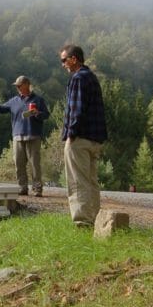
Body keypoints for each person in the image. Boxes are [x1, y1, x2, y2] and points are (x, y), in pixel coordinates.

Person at [59, 45, 107, 227]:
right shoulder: (92, 78)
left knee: (77, 181)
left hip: (79, 138)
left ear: (74, 59)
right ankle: (95, 218)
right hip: (95, 138)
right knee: (91, 181)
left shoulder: (78, 78)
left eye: (64, 60)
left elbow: (76, 110)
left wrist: (71, 133)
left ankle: (82, 221)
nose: (63, 65)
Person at [0, 76, 50, 196]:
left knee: (34, 164)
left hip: (33, 136)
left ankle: (37, 189)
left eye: (19, 85)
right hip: (18, 136)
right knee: (19, 164)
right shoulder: (14, 100)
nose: (18, 88)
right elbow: (2, 109)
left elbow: (46, 115)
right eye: (17, 86)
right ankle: (22, 187)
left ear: (27, 84)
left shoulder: (38, 100)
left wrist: (37, 114)